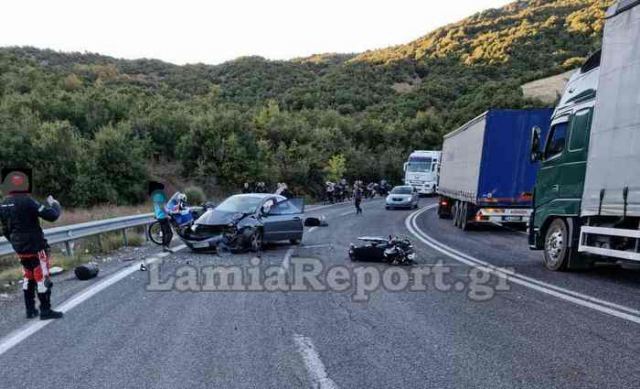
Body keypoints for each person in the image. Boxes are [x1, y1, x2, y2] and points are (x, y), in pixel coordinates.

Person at [0, 170, 63, 320]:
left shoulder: (3, 204)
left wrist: (15, 243)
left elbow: (5, 229)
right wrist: (55, 204)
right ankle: (45, 310)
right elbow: (52, 216)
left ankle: (30, 310)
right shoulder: (27, 201)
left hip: (19, 247)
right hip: (35, 246)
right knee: (42, 277)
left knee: (28, 276)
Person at [150, 183, 173, 253]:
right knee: (169, 233)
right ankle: (166, 246)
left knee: (164, 232)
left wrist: (156, 214)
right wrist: (167, 214)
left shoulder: (154, 196)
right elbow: (161, 207)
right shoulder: (160, 196)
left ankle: (165, 247)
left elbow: (155, 207)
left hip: (159, 216)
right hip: (163, 216)